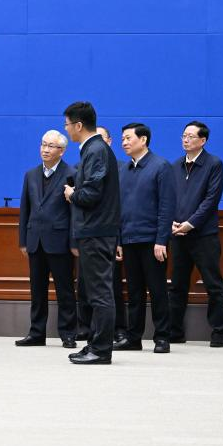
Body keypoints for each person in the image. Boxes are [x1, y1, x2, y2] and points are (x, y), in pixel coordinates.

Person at [62, 102, 120, 365]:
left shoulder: (96, 150)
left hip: (97, 230)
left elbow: (92, 193)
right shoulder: (93, 149)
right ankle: (94, 344)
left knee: (100, 293)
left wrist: (73, 194)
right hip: (93, 230)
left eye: (66, 124)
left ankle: (102, 349)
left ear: (78, 125)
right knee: (91, 292)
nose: (66, 130)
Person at [115, 123, 175, 354]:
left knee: (157, 290)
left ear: (144, 140)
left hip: (152, 241)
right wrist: (119, 240)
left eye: (128, 138)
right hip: (129, 239)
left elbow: (166, 207)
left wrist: (162, 239)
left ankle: (162, 337)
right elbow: (119, 208)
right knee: (134, 291)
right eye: (122, 139)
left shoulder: (161, 166)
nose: (124, 142)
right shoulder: (123, 170)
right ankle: (134, 337)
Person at [168, 121, 223, 347]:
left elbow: (211, 200)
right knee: (177, 285)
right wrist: (174, 223)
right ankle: (175, 332)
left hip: (203, 235)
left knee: (213, 284)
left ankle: (219, 333)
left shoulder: (213, 164)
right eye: (183, 135)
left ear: (203, 140)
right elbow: (170, 197)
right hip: (178, 234)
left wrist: (191, 223)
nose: (185, 139)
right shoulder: (175, 166)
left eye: (191, 136)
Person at [16, 130, 78, 349]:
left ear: (61, 151)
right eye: (43, 144)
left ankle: (69, 333)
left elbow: (75, 213)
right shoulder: (30, 175)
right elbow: (26, 209)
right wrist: (23, 240)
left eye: (51, 146)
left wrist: (73, 242)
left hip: (60, 241)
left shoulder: (72, 173)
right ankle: (36, 332)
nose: (45, 149)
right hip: (35, 241)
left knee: (65, 289)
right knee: (37, 290)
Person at [94, 125, 128, 343]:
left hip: (113, 236)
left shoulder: (122, 169)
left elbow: (121, 207)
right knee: (91, 288)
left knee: (113, 287)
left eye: (101, 139)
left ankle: (118, 329)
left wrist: (119, 239)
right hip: (89, 236)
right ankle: (91, 330)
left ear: (109, 141)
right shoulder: (81, 167)